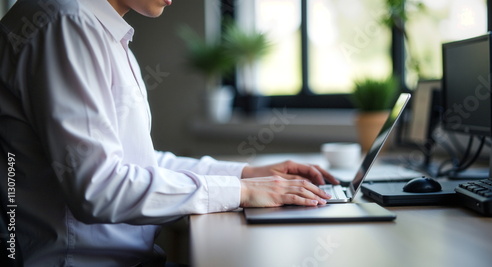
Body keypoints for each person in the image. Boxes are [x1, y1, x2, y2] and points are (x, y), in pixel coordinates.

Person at [0, 0, 338, 266]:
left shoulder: (101, 32)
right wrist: (241, 191)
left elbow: (139, 163)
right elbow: (98, 188)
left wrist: (249, 175)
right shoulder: (66, 23)